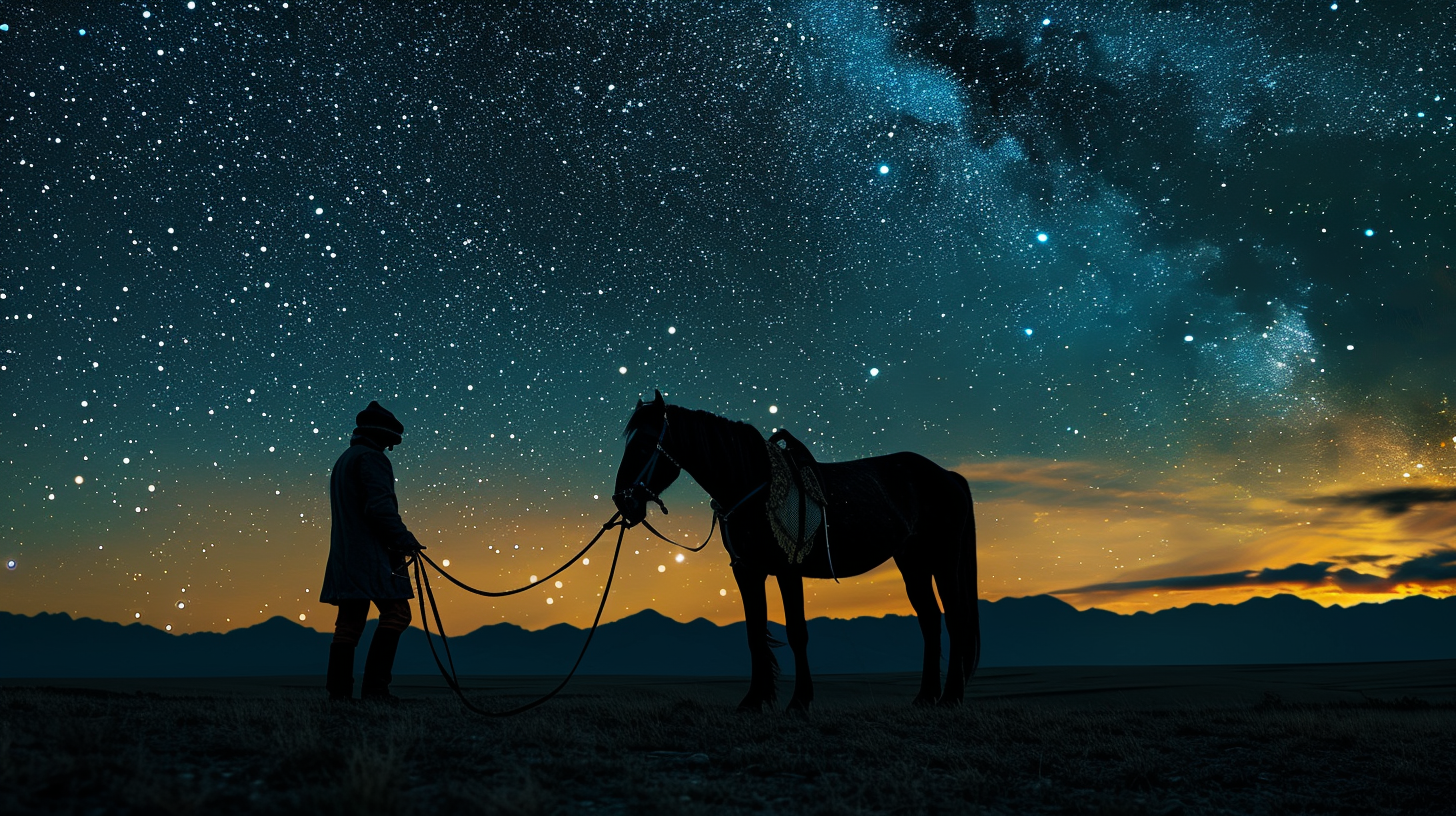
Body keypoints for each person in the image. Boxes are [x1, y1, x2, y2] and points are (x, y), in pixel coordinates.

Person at [321, 400, 424, 701]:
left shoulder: (346, 459)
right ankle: (376, 689)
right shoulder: (371, 459)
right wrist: (404, 539)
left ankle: (338, 693)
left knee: (349, 624)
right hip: (373, 555)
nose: (391, 449)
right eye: (391, 442)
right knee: (397, 614)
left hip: (346, 555)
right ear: (383, 436)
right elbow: (379, 508)